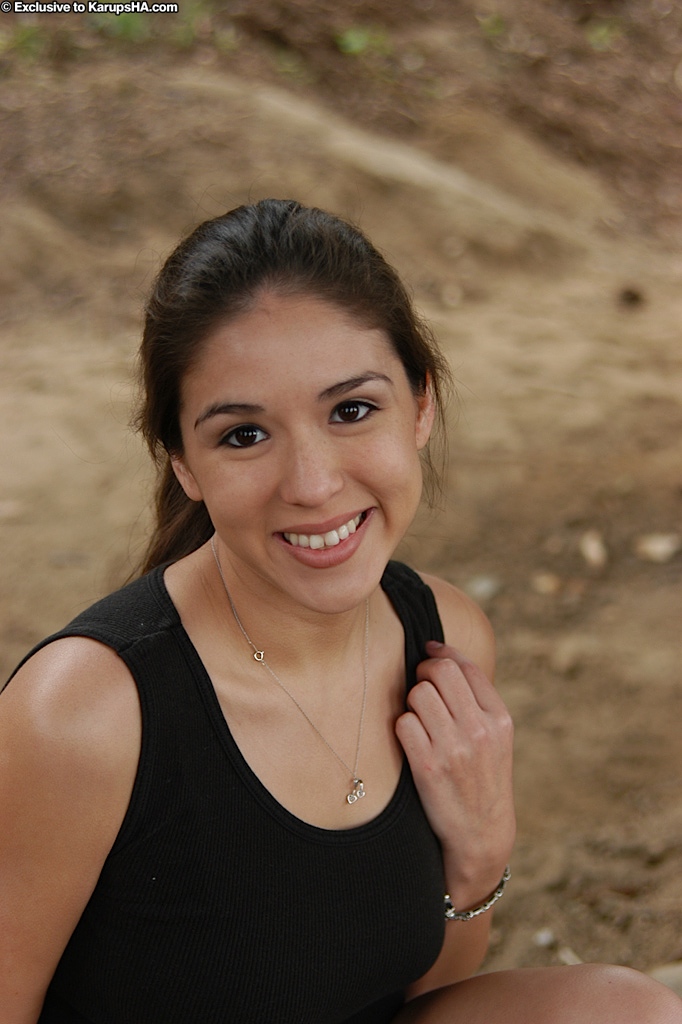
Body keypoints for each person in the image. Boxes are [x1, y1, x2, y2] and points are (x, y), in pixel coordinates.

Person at [1, 199, 680, 1024]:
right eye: (244, 435)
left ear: (421, 406)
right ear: (183, 463)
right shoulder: (83, 715)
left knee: (629, 1011)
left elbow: (424, 991)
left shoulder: (445, 643)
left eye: (351, 411)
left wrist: (478, 857)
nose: (313, 483)